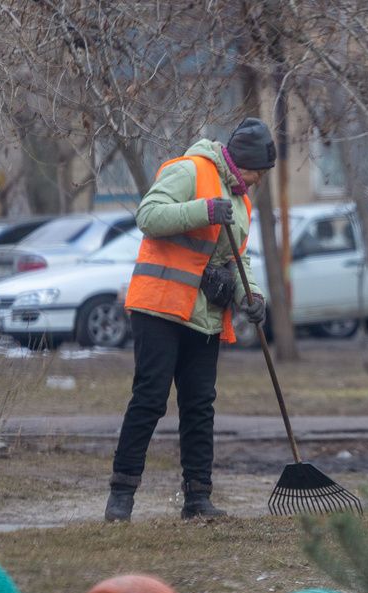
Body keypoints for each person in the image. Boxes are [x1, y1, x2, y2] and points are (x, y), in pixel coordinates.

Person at [105, 117, 275, 521]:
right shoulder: (189, 170)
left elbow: (239, 257)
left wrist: (251, 295)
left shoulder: (240, 200)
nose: (257, 181)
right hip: (160, 306)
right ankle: (121, 497)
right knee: (150, 399)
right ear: (241, 161)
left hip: (205, 315)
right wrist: (204, 210)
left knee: (200, 405)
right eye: (256, 172)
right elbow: (148, 216)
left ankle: (198, 499)